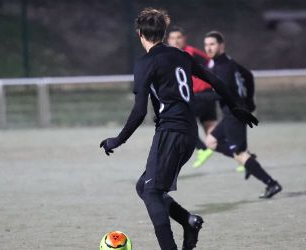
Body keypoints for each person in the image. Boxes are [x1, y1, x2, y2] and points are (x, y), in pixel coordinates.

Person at [100, 8, 258, 250]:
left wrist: (117, 140)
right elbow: (215, 81)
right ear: (163, 33)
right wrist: (236, 107)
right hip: (188, 133)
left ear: (140, 34)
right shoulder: (181, 55)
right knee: (145, 187)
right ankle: (188, 221)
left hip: (170, 133)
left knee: (151, 192)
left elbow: (139, 111)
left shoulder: (145, 63)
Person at [203, 31, 282, 199]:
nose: (208, 48)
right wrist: (250, 101)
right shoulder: (227, 62)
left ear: (221, 45)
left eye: (212, 44)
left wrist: (193, 98)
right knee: (211, 141)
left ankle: (271, 183)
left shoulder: (222, 66)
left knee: (240, 154)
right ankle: (248, 161)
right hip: (233, 112)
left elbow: (221, 94)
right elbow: (248, 75)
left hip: (235, 114)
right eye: (206, 45)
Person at [167, 26, 216, 169]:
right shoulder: (174, 55)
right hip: (205, 96)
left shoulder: (189, 52)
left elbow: (211, 62)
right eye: (172, 38)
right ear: (168, 40)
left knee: (181, 123)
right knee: (212, 133)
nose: (176, 41)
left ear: (184, 39)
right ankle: (243, 157)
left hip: (200, 96)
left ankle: (202, 149)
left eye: (179, 38)